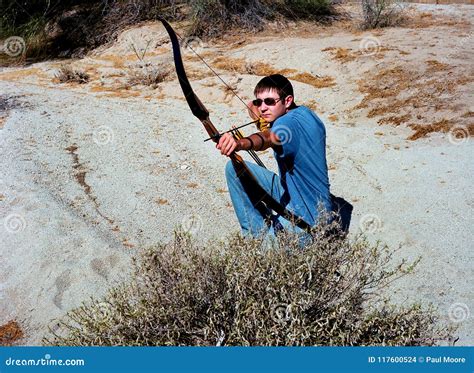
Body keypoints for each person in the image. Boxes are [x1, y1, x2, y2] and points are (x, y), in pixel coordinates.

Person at [217, 74, 332, 238]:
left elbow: (268, 138)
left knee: (258, 257)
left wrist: (240, 143)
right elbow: (251, 106)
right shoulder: (305, 113)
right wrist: (262, 117)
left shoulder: (285, 124)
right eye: (260, 102)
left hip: (307, 222)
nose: (263, 107)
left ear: (287, 101)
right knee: (233, 168)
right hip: (297, 195)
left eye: (270, 101)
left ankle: (256, 242)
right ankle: (256, 230)